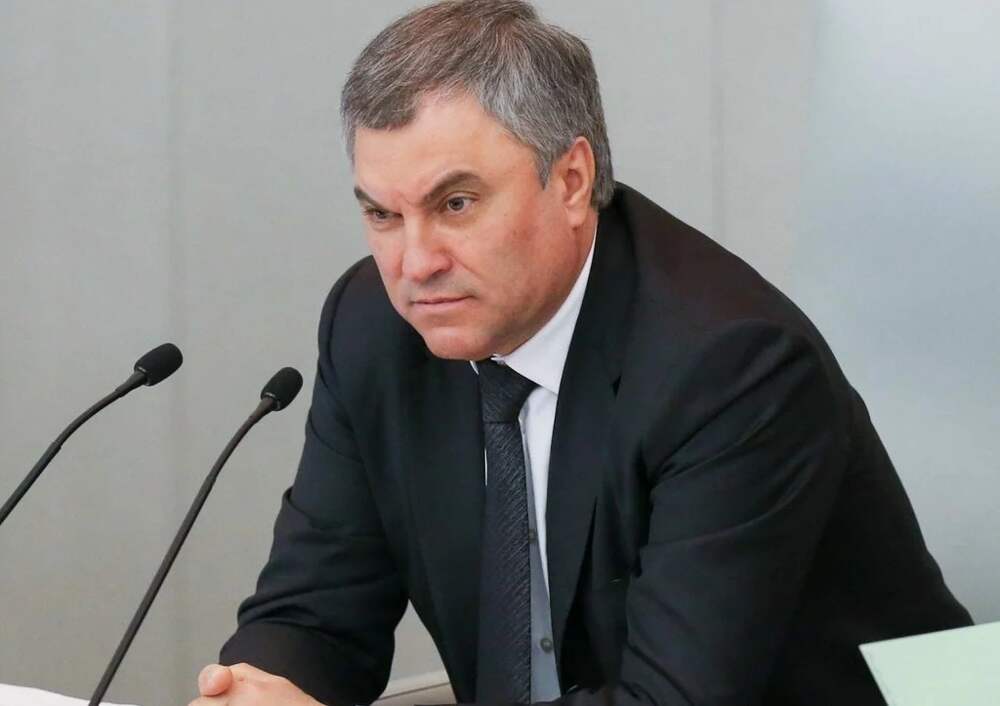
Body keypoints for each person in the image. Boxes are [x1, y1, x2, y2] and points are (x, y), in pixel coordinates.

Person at [189, 2, 972, 705]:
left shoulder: (732, 367)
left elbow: (673, 698)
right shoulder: (375, 328)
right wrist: (263, 688)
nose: (415, 263)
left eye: (455, 204)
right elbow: (314, 614)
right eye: (382, 216)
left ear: (570, 180)